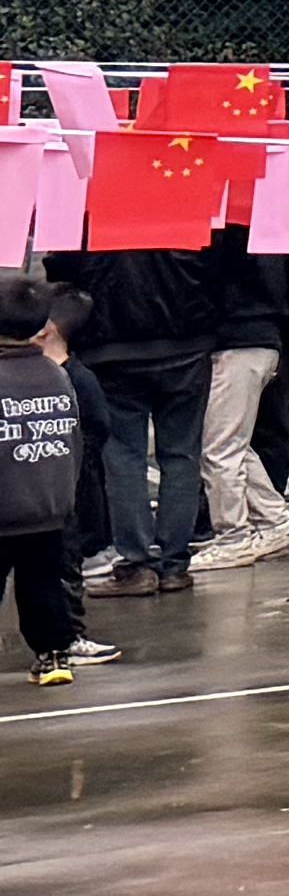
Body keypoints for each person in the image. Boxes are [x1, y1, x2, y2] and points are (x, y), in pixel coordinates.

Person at [71, 226, 226, 598]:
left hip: (112, 346)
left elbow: (66, 265)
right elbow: (219, 266)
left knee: (124, 457)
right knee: (182, 455)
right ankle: (174, 562)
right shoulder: (189, 197)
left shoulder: (97, 204)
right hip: (186, 343)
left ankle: (135, 560)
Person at [4, 280, 113, 683]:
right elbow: (75, 438)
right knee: (43, 585)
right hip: (49, 504)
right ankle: (53, 654)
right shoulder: (58, 376)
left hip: (4, 503)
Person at [196, 227, 289, 570]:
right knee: (232, 442)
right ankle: (274, 519)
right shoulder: (270, 231)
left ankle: (235, 535)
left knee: (220, 446)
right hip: (261, 339)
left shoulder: (229, 238)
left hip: (237, 339)